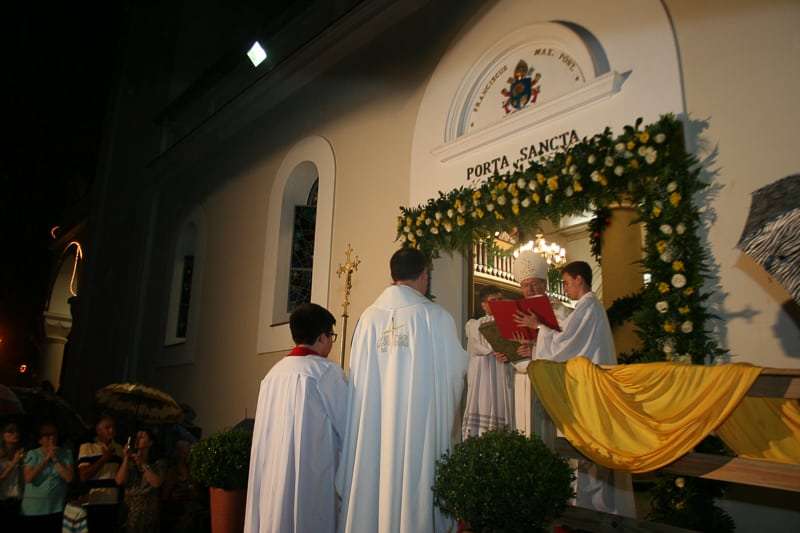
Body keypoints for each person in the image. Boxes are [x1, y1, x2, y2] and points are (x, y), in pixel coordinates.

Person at [336, 248, 469, 533]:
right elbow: (456, 375)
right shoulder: (436, 317)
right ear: (424, 275)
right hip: (417, 434)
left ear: (392, 276)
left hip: (375, 431)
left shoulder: (368, 319)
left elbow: (356, 378)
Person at [516, 260, 635, 517]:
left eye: (568, 282)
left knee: (592, 449)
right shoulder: (587, 306)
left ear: (579, 279)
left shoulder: (586, 306)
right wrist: (534, 345)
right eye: (524, 285)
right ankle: (588, 505)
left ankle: (598, 510)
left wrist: (538, 327)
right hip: (584, 384)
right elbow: (564, 341)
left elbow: (565, 343)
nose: (566, 288)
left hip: (589, 386)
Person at [244, 302, 346, 533]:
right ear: (321, 337)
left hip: (274, 477)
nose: (331, 342)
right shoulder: (325, 372)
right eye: (331, 336)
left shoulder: (273, 375)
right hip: (310, 476)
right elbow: (348, 427)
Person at [509, 250, 571, 437]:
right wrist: (514, 351)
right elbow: (513, 341)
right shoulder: (517, 311)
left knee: (551, 432)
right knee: (526, 430)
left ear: (544, 284)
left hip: (553, 377)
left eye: (534, 284)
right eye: (525, 285)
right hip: (525, 377)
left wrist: (537, 334)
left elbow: (564, 343)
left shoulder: (562, 311)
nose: (530, 290)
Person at [462, 285, 515, 439]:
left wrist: (509, 353)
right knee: (483, 404)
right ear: (483, 304)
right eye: (493, 300)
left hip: (501, 371)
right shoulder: (475, 324)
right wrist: (494, 350)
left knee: (501, 407)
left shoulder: (510, 322)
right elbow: (476, 346)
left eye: (500, 299)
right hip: (482, 374)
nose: (498, 303)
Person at [21, 421, 75, 532]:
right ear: (40, 439)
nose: (51, 437)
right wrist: (46, 459)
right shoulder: (33, 454)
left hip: (56, 507)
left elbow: (69, 478)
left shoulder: (66, 453)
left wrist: (55, 459)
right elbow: (28, 478)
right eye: (47, 435)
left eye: (54, 434)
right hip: (34, 508)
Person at [78, 414, 124, 532]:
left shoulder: (119, 449)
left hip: (113, 501)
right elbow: (84, 476)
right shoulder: (87, 447)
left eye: (113, 427)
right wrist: (104, 459)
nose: (111, 430)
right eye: (107, 427)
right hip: (94, 501)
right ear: (98, 430)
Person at [115, 428, 165, 533]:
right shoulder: (129, 463)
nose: (137, 439)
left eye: (142, 437)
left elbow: (156, 483)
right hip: (129, 512)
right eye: (136, 436)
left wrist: (142, 463)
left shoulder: (158, 463)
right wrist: (126, 458)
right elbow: (119, 481)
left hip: (147, 513)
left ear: (150, 442)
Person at [0, 422, 25, 529]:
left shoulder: (20, 452)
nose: (15, 434)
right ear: (3, 435)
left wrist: (21, 463)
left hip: (18, 498)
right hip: (3, 500)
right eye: (10, 431)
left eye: (16, 431)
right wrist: (14, 463)